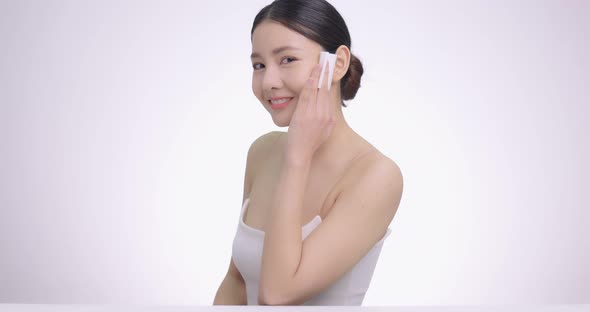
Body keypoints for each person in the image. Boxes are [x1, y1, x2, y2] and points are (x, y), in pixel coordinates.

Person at [213, 0, 403, 306]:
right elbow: (235, 284)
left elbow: (277, 294)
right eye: (258, 65)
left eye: (287, 59)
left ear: (337, 64)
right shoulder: (262, 152)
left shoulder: (376, 175)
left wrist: (297, 159)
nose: (269, 82)